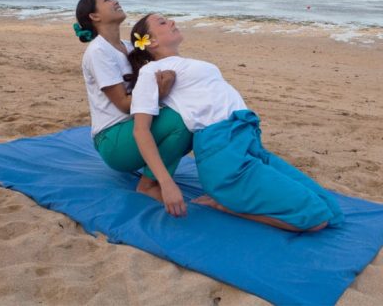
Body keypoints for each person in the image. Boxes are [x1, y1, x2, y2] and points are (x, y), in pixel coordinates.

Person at [127, 13, 344, 231]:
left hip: (248, 143)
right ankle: (224, 206)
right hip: (223, 154)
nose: (172, 22)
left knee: (331, 210)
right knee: (316, 220)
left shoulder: (184, 64)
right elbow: (141, 130)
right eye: (163, 22)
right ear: (151, 41)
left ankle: (231, 198)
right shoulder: (151, 71)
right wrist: (166, 183)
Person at [74, 0, 192, 202]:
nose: (115, 0)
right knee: (182, 120)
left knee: (194, 117)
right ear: (94, 16)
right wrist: (160, 92)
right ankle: (148, 185)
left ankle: (155, 178)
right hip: (114, 139)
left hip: (136, 129)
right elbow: (123, 104)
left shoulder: (128, 48)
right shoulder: (98, 51)